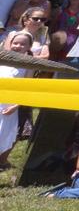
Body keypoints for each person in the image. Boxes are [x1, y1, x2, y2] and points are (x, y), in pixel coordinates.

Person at [0, 31, 34, 167]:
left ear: (29, 47)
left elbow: (27, 90)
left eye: (22, 44)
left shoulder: (28, 66)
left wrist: (15, 106)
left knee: (3, 135)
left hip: (8, 107)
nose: (18, 46)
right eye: (16, 43)